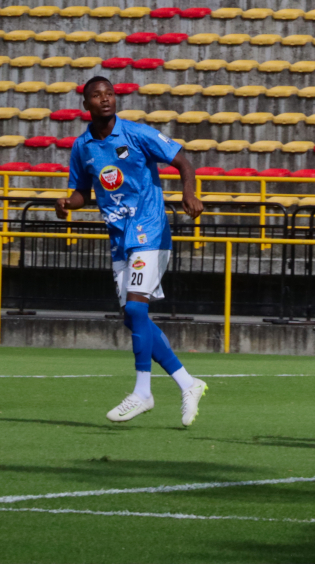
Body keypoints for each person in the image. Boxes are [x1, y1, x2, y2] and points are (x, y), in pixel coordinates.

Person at [55, 75, 209, 427]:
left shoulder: (137, 134)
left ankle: (143, 392)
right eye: (97, 95)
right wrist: (68, 203)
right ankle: (188, 383)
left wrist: (188, 193)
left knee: (137, 309)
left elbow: (183, 160)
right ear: (86, 105)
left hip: (150, 230)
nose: (105, 99)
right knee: (132, 317)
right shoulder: (83, 147)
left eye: (110, 93)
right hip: (120, 238)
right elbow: (83, 191)